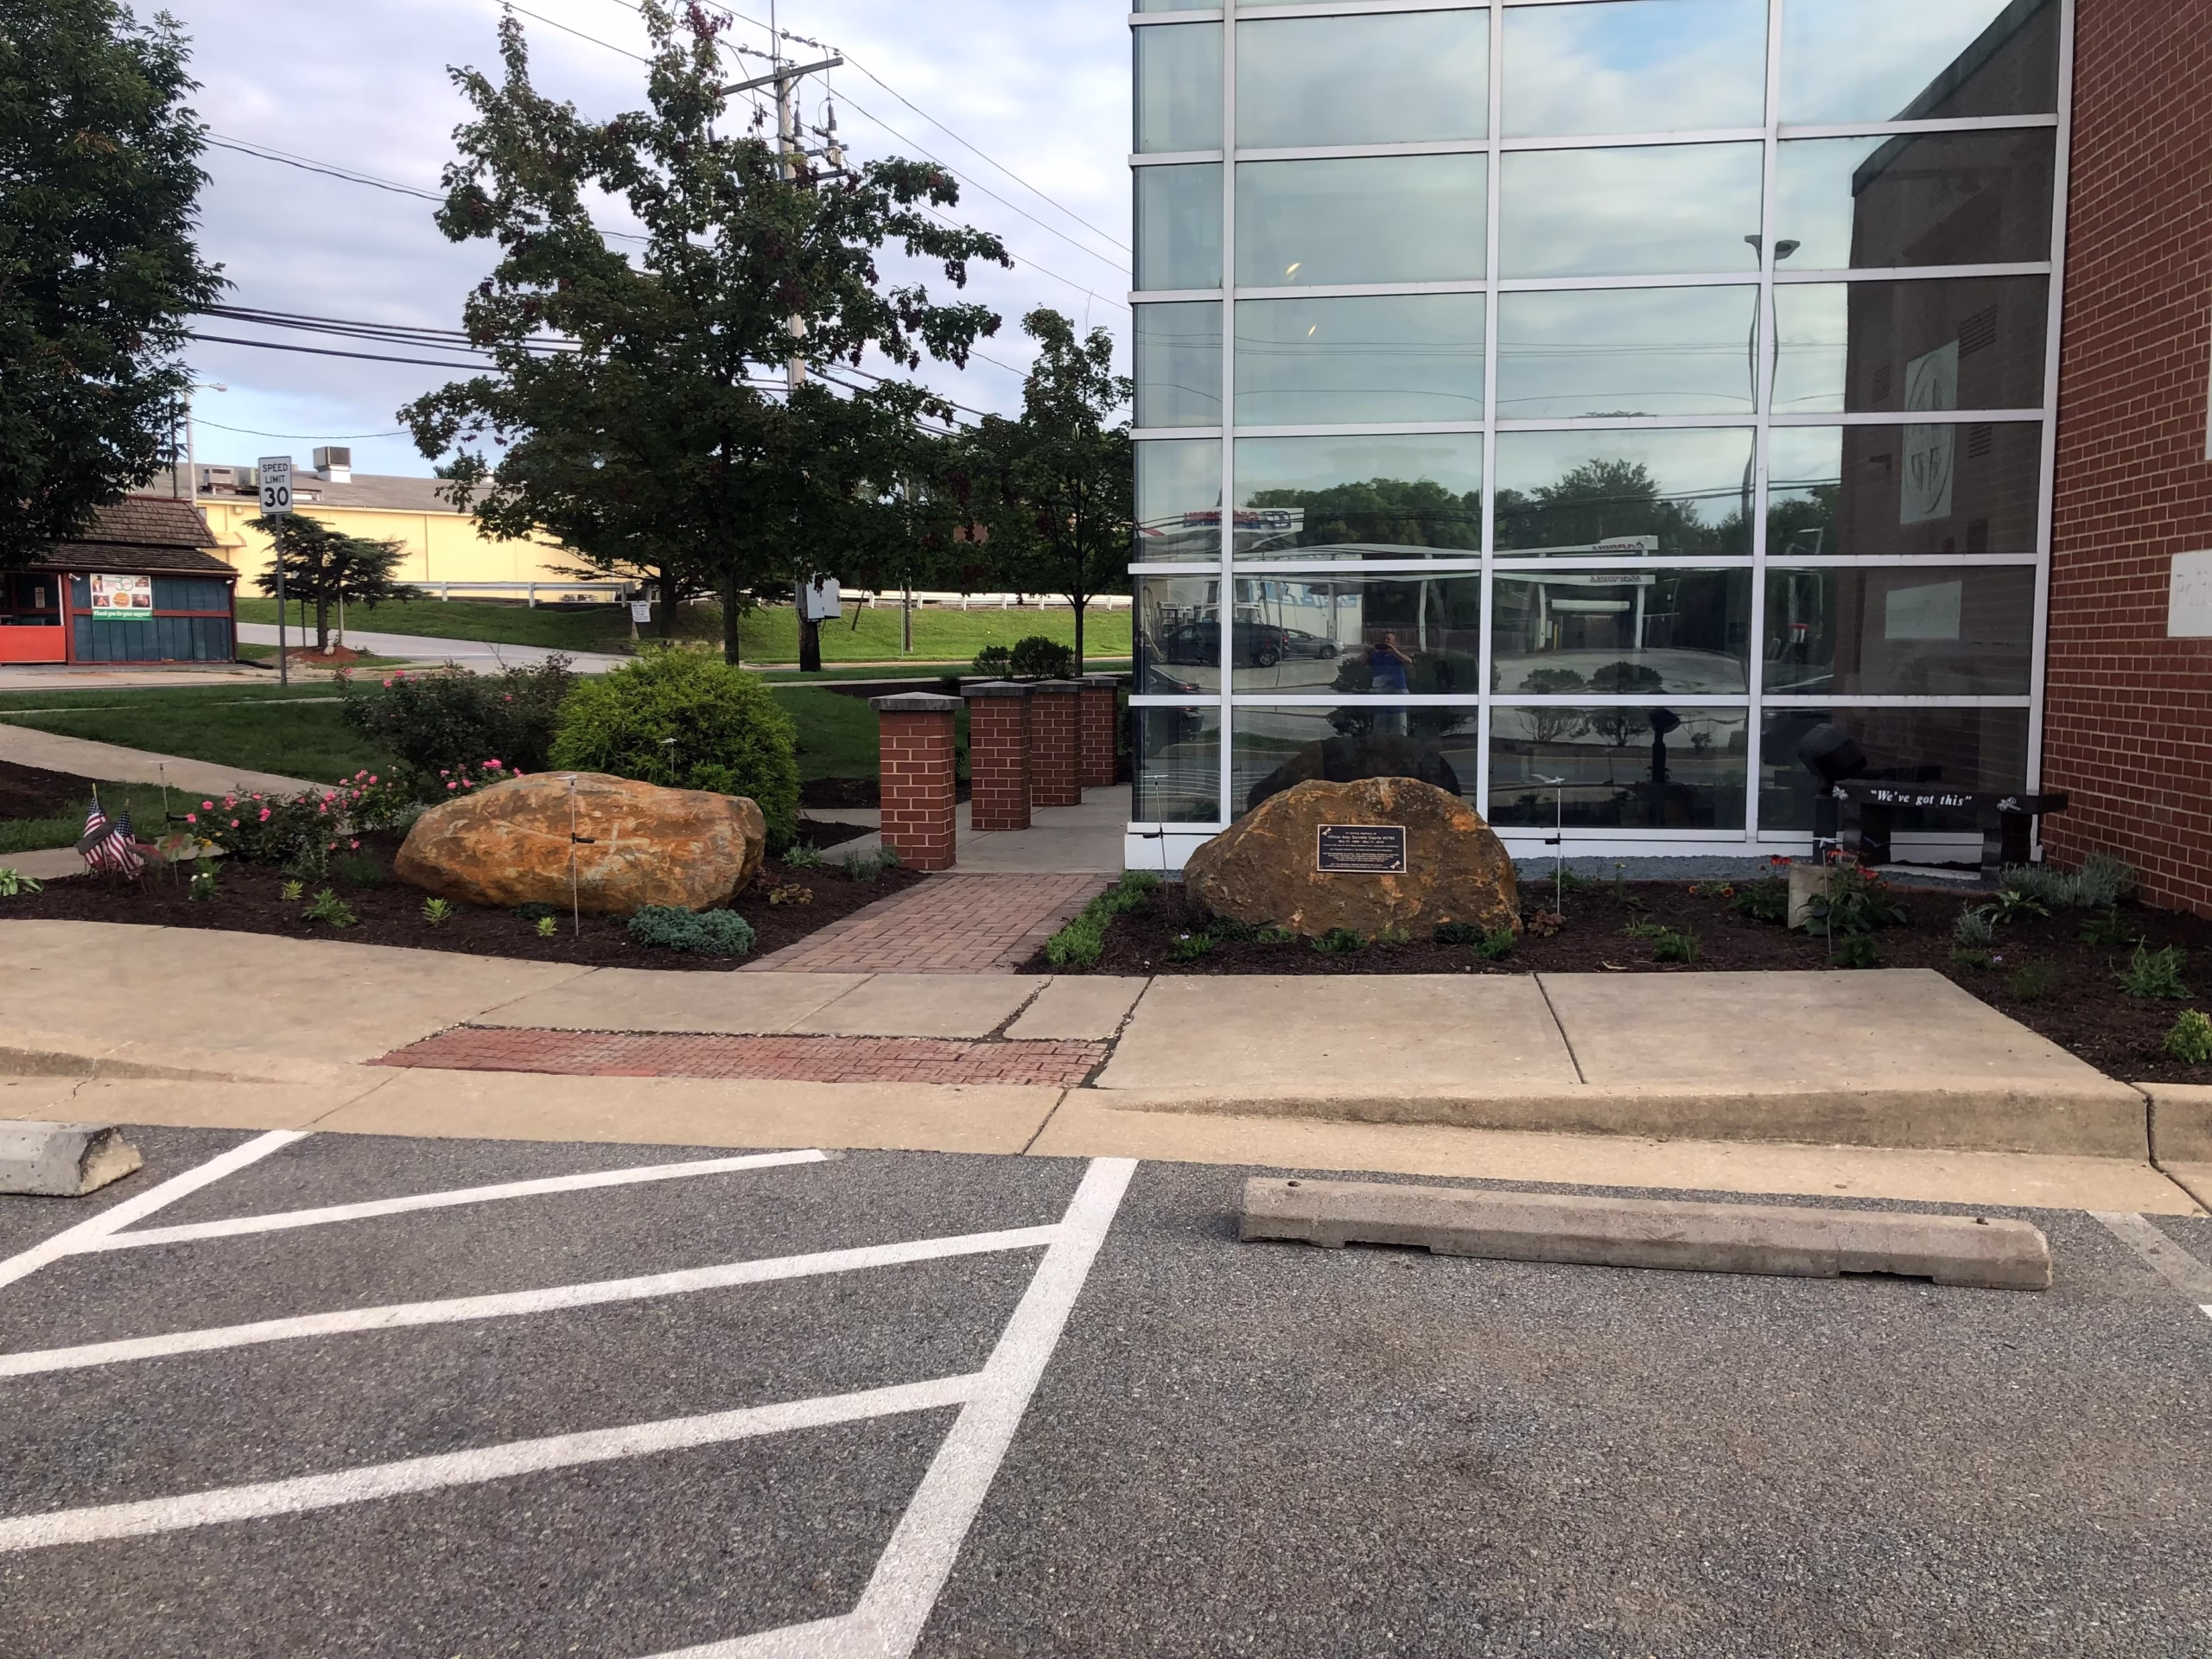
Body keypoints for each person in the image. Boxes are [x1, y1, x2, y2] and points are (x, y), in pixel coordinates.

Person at [1367, 632, 1412, 734]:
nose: (1386, 641)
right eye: (1384, 639)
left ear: (1394, 642)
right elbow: (1358, 662)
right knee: (1380, 732)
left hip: (1397, 696)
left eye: (1388, 639)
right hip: (1380, 695)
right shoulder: (1376, 656)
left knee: (1399, 729)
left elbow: (1408, 661)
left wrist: (1393, 650)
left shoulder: (1397, 656)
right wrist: (1367, 652)